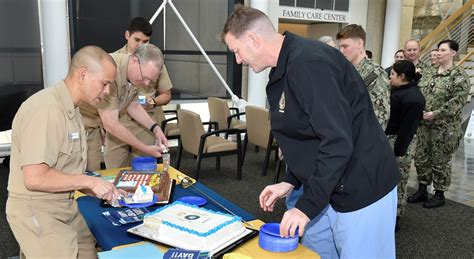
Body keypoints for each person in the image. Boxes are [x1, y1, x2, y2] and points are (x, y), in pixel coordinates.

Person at [221, 6, 400, 258]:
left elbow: (337, 142)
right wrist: (290, 179)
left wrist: (305, 207)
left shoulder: (309, 64)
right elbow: (306, 136)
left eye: (237, 51)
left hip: (361, 186)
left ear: (253, 40)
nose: (238, 60)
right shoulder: (284, 67)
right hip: (327, 185)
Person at [6, 46, 122, 258]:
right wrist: (90, 182)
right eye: (104, 84)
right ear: (83, 75)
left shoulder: (73, 109)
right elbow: (35, 178)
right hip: (38, 207)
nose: (107, 92)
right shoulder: (47, 109)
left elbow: (65, 170)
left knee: (88, 252)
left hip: (65, 203)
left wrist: (103, 188)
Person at [80, 43, 168, 170]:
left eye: (151, 81)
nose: (146, 83)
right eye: (145, 77)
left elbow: (132, 105)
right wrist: (145, 148)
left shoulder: (134, 76)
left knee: (92, 175)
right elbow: (111, 124)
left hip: (93, 128)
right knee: (79, 177)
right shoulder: (110, 71)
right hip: (78, 126)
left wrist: (155, 128)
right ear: (134, 60)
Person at [408, 39, 470, 208]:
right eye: (438, 50)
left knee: (440, 160)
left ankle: (440, 193)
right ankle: (422, 188)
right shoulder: (429, 73)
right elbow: (419, 92)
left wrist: (435, 114)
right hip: (423, 125)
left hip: (444, 128)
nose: (439, 53)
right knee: (421, 158)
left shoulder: (458, 76)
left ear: (453, 53)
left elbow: (457, 101)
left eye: (443, 50)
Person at [113, 17, 173, 166]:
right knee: (114, 173)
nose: (140, 45)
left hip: (144, 122)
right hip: (117, 122)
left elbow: (133, 105)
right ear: (127, 35)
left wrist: (155, 126)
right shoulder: (112, 65)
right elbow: (109, 120)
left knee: (143, 170)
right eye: (137, 40)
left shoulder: (153, 63)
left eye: (145, 42)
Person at [385, 60, 425, 232]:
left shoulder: (414, 98)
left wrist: (398, 151)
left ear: (402, 77)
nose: (390, 77)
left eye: (392, 74)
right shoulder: (397, 91)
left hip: (400, 144)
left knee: (399, 182)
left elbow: (407, 130)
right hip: (389, 139)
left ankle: (396, 216)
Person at [336, 24, 391, 129]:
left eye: (345, 46)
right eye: (340, 47)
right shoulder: (346, 71)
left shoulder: (374, 74)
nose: (341, 51)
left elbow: (380, 117)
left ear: (360, 44)